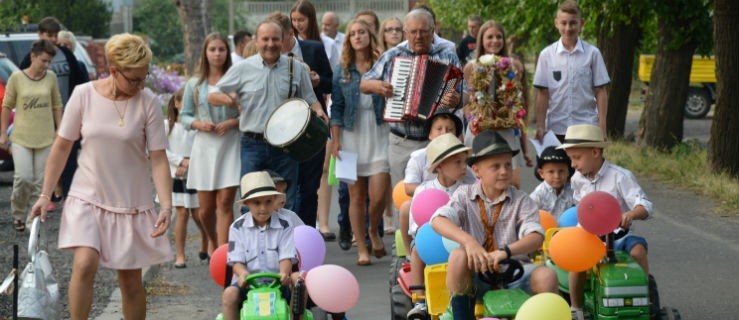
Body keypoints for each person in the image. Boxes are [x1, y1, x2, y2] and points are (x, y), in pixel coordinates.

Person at [30, 33, 173, 320]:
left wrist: (166, 205)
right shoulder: (83, 95)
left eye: (143, 78)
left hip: (130, 202)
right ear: (113, 71)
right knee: (84, 263)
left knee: (130, 281)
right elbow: (62, 146)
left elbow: (158, 158)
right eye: (134, 79)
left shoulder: (147, 104)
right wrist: (45, 194)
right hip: (88, 196)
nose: (140, 85)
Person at [430, 130, 558, 320]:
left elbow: (535, 237)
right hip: (477, 278)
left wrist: (505, 252)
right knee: (458, 255)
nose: (504, 171)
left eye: (508, 164)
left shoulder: (522, 200)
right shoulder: (464, 195)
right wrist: (469, 242)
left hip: (515, 273)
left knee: (547, 276)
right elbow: (437, 220)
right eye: (495, 166)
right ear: (477, 170)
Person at [207, 19, 327, 214]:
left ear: (283, 40)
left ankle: (282, 243)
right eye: (265, 39)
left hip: (286, 147)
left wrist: (319, 111)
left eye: (275, 39)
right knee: (251, 200)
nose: (270, 44)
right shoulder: (243, 68)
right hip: (252, 144)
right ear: (255, 41)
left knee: (285, 203)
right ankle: (252, 244)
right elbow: (212, 95)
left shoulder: (296, 68)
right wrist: (231, 100)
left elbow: (311, 100)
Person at [360, 8, 461, 193]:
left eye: (424, 31)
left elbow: (465, 94)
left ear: (433, 32)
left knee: (440, 195)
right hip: (401, 142)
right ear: (406, 33)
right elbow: (364, 83)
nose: (418, 36)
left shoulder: (448, 56)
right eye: (413, 32)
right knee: (404, 198)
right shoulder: (392, 55)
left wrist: (457, 99)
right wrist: (377, 86)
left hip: (438, 140)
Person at [558, 124, 653, 319]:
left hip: (619, 234)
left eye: (576, 158)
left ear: (594, 152)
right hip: (590, 235)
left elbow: (644, 205)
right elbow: (581, 207)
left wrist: (631, 215)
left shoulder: (620, 176)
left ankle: (643, 295)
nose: (573, 165)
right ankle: (576, 308)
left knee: (638, 251)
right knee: (577, 262)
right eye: (571, 159)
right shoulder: (577, 178)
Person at [330, 19, 391, 266]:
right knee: (356, 197)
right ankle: (362, 247)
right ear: (348, 40)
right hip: (350, 135)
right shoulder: (341, 70)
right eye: (353, 33)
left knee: (377, 196)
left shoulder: (383, 64)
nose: (357, 36)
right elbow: (337, 108)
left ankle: (373, 229)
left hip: (378, 132)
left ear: (369, 35)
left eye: (362, 32)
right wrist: (335, 141)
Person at [267, 12, 332, 230]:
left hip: (311, 130)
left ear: (290, 34)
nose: (273, 44)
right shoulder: (265, 59)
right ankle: (286, 237)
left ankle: (306, 235)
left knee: (309, 187)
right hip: (282, 133)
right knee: (286, 188)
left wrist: (317, 80)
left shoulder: (313, 48)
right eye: (269, 38)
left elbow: (331, 83)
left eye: (277, 38)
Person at [181, 32, 240, 255]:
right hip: (205, 146)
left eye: (221, 49)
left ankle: (224, 254)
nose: (217, 54)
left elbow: (250, 113)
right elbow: (184, 116)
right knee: (205, 210)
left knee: (225, 203)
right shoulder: (195, 84)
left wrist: (233, 122)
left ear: (227, 52)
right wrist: (197, 124)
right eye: (212, 49)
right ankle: (213, 240)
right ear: (205, 53)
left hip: (230, 143)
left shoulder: (236, 80)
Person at [21, 16, 87, 205]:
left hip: (68, 113)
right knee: (45, 157)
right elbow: (22, 76)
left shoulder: (66, 53)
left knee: (69, 157)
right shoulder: (33, 55)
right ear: (40, 35)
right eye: (47, 35)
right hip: (42, 116)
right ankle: (45, 196)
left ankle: (69, 196)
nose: (52, 39)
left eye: (54, 35)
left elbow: (79, 81)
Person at [406, 133, 471, 318]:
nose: (464, 167)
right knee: (418, 249)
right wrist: (428, 235)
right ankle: (419, 300)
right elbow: (415, 226)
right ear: (440, 166)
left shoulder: (469, 187)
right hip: (429, 240)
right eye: (457, 162)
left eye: (465, 161)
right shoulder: (424, 189)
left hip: (461, 239)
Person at [0, 39, 62, 232]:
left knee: (40, 182)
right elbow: (7, 106)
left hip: (45, 137)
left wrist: (61, 131)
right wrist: (3, 133)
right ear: (33, 57)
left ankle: (32, 220)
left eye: (49, 62)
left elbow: (57, 105)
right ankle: (18, 212)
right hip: (21, 137)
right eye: (43, 60)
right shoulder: (17, 78)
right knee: (24, 177)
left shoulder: (50, 77)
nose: (46, 65)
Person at [463, 20, 533, 189]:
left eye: (498, 37)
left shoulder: (512, 65)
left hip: (505, 128)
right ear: (481, 40)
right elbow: (468, 100)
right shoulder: (471, 66)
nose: (494, 41)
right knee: (478, 180)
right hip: (479, 128)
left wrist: (524, 144)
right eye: (490, 37)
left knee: (511, 181)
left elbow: (519, 99)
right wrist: (472, 119)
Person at [221, 171, 300, 320]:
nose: (263, 208)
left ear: (275, 199)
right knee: (229, 294)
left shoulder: (285, 225)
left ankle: (296, 317)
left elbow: (286, 255)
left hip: (278, 282)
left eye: (268, 202)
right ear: (246, 204)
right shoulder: (237, 227)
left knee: (298, 280)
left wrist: (283, 272)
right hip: (248, 283)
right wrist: (243, 273)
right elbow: (236, 260)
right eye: (257, 203)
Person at [398, 111, 475, 252]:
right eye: (439, 129)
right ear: (430, 134)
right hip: (428, 225)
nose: (444, 133)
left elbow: (476, 187)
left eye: (450, 129)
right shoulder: (419, 159)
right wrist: (436, 196)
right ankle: (410, 256)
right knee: (407, 210)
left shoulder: (465, 186)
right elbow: (409, 189)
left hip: (458, 234)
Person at [533, 0, 610, 142]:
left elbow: (600, 91)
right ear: (556, 23)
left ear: (581, 23)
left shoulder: (593, 54)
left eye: (573, 23)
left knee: (583, 166)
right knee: (558, 165)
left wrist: (602, 127)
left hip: (586, 128)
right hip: (556, 128)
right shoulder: (546, 55)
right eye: (563, 23)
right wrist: (540, 126)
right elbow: (543, 93)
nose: (568, 28)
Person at [163, 88, 206, 268]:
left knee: (198, 213)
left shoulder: (197, 126)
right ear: (177, 103)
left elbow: (202, 148)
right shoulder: (166, 125)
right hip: (175, 174)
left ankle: (206, 239)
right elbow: (160, 149)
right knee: (181, 213)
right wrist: (180, 162)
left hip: (194, 173)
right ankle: (180, 255)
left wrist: (189, 163)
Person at [528, 146, 575, 218]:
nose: (557, 176)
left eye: (561, 171)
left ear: (568, 172)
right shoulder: (537, 196)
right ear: (541, 173)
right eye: (551, 172)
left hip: (568, 228)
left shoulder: (573, 192)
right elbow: (529, 218)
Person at [291, 0, 340, 68]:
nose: (297, 24)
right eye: (293, 20)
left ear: (311, 19)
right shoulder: (291, 43)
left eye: (301, 20)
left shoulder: (329, 44)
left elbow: (335, 73)